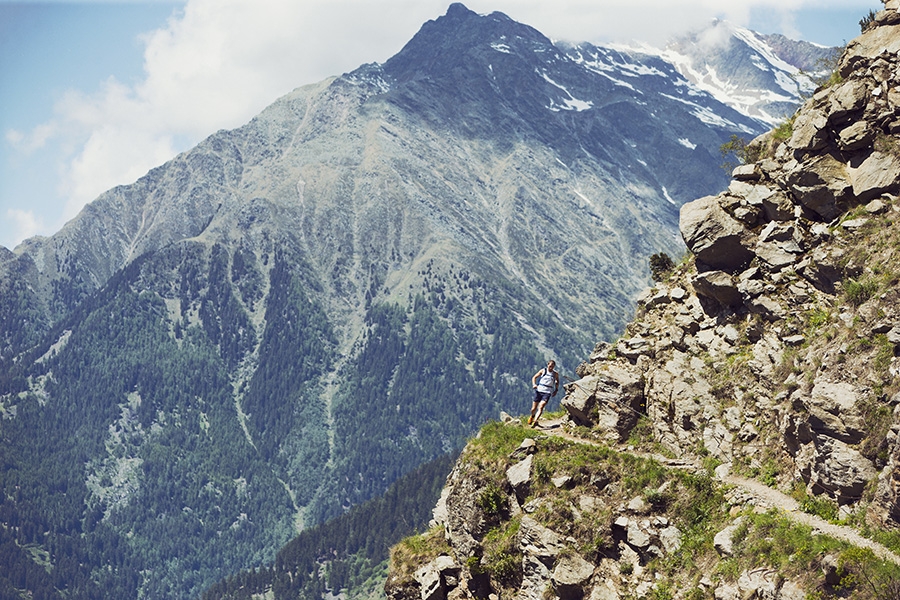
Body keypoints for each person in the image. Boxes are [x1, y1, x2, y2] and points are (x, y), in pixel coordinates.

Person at [528, 360, 559, 428]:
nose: (551, 368)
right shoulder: (543, 371)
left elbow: (557, 381)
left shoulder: (555, 374)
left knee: (541, 406)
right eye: (550, 366)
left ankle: (535, 421)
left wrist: (556, 390)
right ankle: (532, 416)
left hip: (547, 392)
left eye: (552, 367)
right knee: (533, 408)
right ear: (547, 365)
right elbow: (534, 377)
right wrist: (534, 384)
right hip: (539, 390)